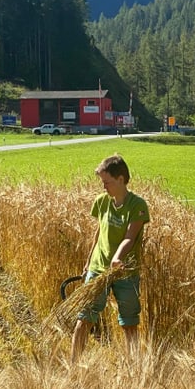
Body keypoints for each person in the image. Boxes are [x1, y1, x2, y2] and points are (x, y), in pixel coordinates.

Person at [71, 154, 150, 362]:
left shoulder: (137, 206)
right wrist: (89, 263)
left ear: (121, 179)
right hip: (98, 269)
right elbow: (99, 233)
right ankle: (73, 364)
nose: (103, 187)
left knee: (129, 322)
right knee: (85, 317)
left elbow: (130, 237)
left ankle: (134, 367)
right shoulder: (102, 202)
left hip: (126, 272)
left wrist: (118, 258)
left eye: (107, 182)